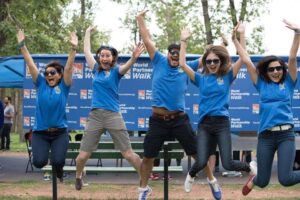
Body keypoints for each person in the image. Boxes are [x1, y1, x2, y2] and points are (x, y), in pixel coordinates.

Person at [136, 10, 219, 200]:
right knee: (148, 156)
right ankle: (143, 189)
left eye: (177, 54)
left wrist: (223, 43)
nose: (174, 57)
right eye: (171, 54)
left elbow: (211, 57)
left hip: (179, 119)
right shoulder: (158, 60)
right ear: (166, 55)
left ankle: (212, 180)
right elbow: (147, 39)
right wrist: (140, 19)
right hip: (157, 120)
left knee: (198, 153)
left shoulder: (187, 66)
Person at [179, 23, 255, 197]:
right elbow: (182, 64)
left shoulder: (227, 76)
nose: (212, 63)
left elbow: (243, 59)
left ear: (220, 61)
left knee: (228, 163)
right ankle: (191, 175)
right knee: (201, 161)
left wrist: (241, 37)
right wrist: (183, 41)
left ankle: (250, 167)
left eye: (215, 60)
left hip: (222, 123)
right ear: (205, 63)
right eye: (208, 61)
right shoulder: (200, 78)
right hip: (205, 124)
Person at [232, 19, 300, 196]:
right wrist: (238, 38)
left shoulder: (289, 83)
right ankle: (254, 179)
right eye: (272, 69)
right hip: (266, 136)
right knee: (262, 181)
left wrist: (297, 33)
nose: (276, 71)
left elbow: (292, 57)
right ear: (266, 72)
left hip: (286, 135)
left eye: (278, 68)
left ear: (283, 70)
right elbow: (246, 59)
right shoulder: (261, 84)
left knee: (286, 179)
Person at [74, 25, 145, 190]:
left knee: (128, 153)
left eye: (108, 56)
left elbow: (127, 66)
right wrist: (86, 33)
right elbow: (86, 51)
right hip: (95, 116)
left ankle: (144, 179)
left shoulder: (116, 72)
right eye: (102, 55)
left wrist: (134, 58)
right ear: (99, 58)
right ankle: (78, 176)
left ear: (113, 59)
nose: (104, 58)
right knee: (82, 156)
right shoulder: (95, 70)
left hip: (113, 115)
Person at [16, 29, 78, 182]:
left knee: (58, 161)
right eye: (47, 73)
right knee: (39, 162)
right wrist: (22, 45)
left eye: (52, 73)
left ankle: (59, 169)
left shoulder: (64, 86)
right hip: (40, 133)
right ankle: (54, 167)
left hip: (60, 133)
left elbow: (69, 68)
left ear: (59, 75)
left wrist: (73, 49)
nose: (49, 75)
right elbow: (30, 64)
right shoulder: (41, 84)